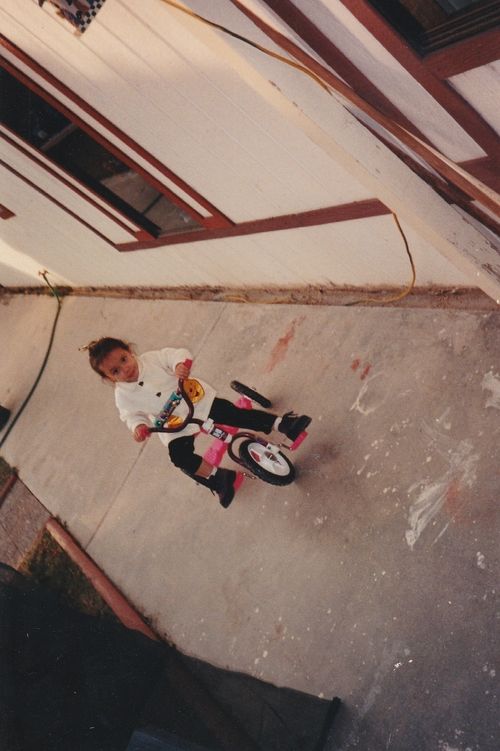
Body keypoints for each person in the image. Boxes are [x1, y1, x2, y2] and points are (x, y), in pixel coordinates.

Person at [84, 337, 311, 508]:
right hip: (174, 424)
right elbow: (130, 415)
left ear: (130, 351)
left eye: (124, 359)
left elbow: (176, 354)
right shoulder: (123, 396)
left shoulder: (152, 360)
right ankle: (219, 479)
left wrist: (179, 365)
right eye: (116, 371)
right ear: (109, 378)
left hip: (197, 402)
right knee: (179, 457)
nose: (125, 369)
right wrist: (138, 427)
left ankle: (284, 424)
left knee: (234, 415)